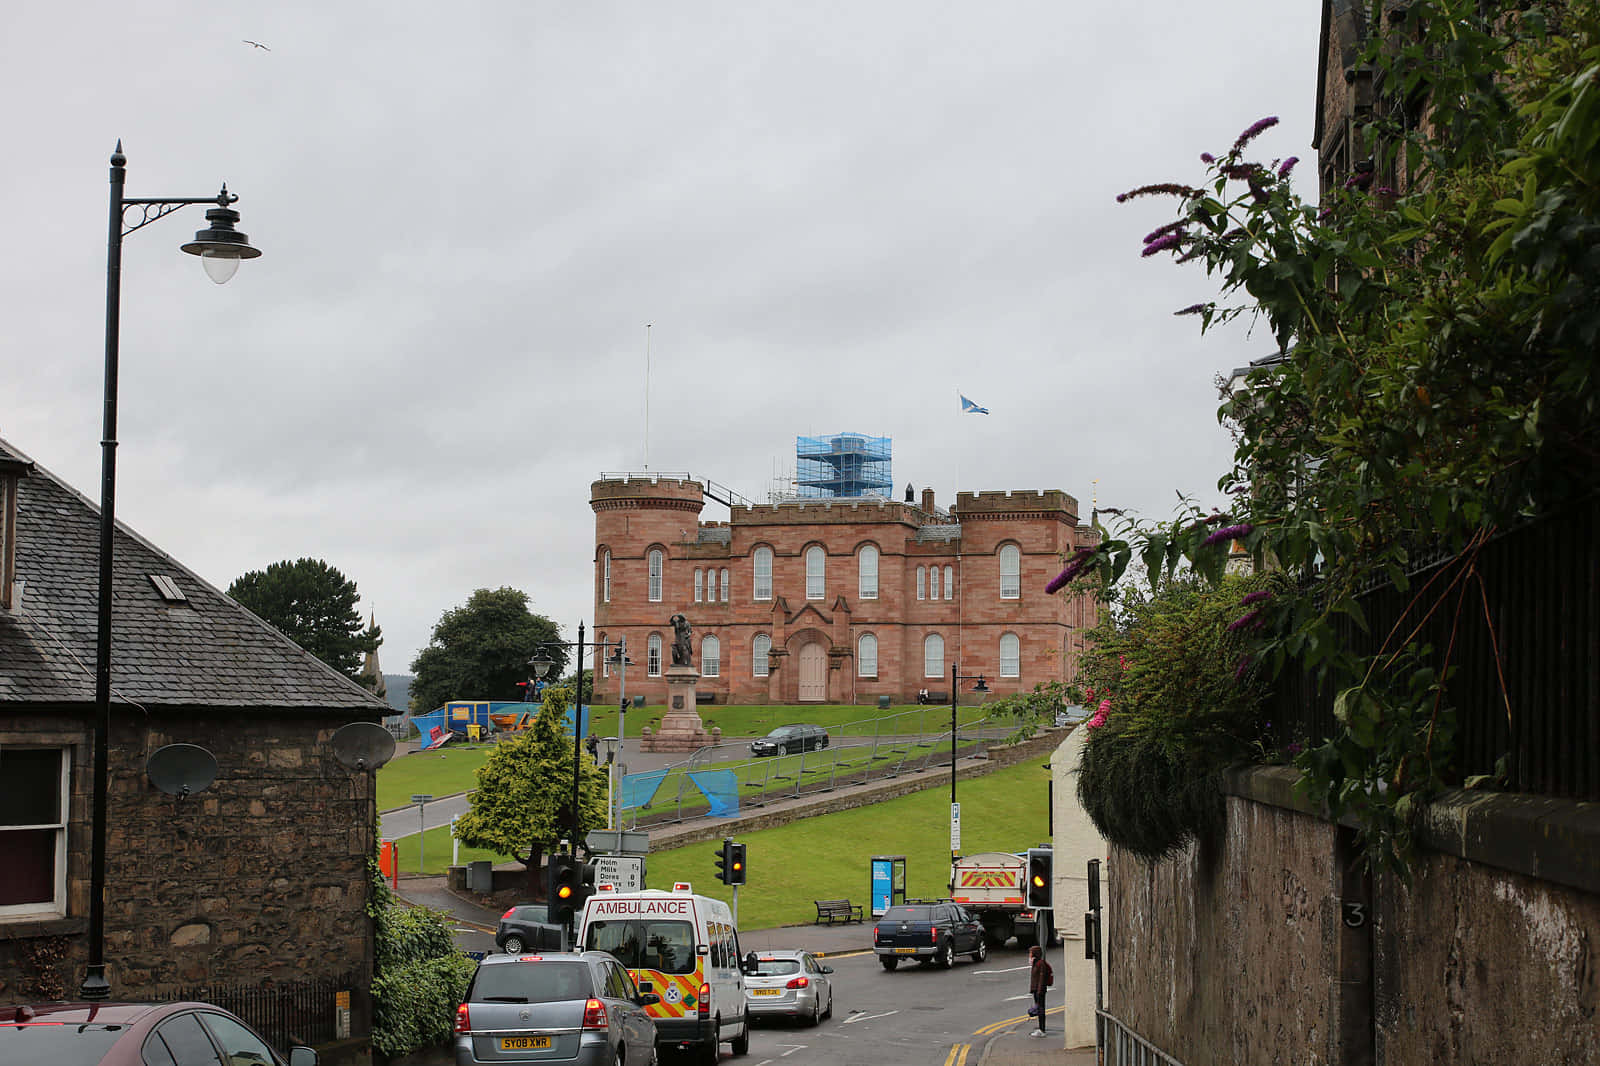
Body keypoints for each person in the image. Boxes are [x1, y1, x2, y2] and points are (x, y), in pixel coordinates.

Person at [1028, 943, 1052, 1037]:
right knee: (1039, 1010)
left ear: (1035, 954)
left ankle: (1042, 1029)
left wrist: (1039, 991)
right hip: (1036, 990)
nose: (1029, 955)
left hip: (1039, 991)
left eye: (1031, 953)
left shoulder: (1040, 964)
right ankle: (1040, 1028)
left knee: (1040, 1010)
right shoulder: (1035, 963)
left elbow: (1041, 978)